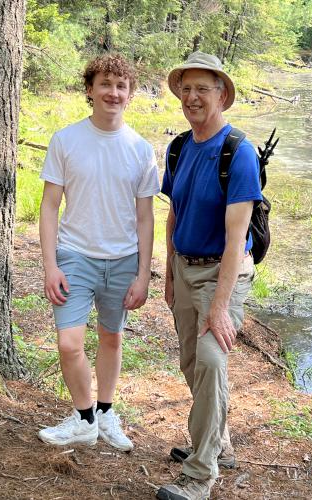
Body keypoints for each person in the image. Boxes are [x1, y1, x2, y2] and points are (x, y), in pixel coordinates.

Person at [38, 54, 159, 450]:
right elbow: (50, 206)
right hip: (74, 256)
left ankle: (106, 413)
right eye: (105, 84)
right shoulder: (65, 140)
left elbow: (145, 217)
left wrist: (143, 274)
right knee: (69, 343)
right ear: (90, 90)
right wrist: (50, 264)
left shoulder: (141, 149)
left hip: (123, 260)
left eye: (121, 86)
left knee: (112, 338)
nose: (113, 92)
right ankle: (84, 417)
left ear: (130, 94)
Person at [157, 52, 263, 500]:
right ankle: (219, 443)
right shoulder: (179, 147)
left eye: (203, 88)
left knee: (211, 360)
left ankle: (200, 475)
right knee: (191, 362)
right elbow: (173, 214)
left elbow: (236, 239)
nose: (193, 96)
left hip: (225, 272)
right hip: (184, 267)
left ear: (222, 94)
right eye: (187, 88)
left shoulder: (238, 153)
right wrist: (168, 273)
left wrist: (219, 307)